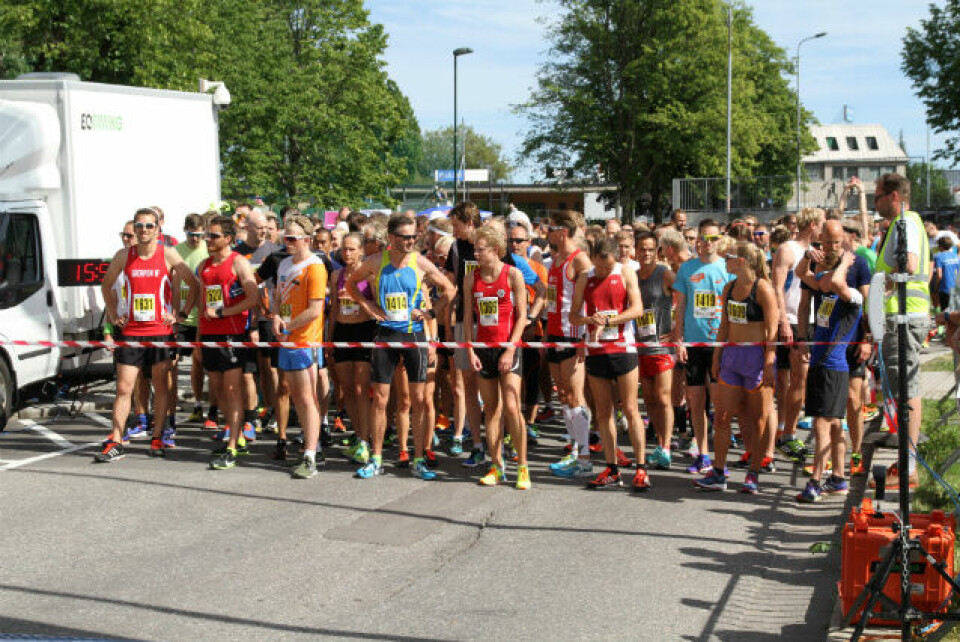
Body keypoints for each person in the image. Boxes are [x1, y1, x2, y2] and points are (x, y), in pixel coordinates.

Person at [346, 213, 455, 480]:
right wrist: (368, 305)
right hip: (385, 334)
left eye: (414, 237)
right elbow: (351, 285)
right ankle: (377, 458)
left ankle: (419, 459)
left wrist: (430, 314)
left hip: (414, 336)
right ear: (392, 238)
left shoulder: (419, 261)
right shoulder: (375, 262)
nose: (411, 241)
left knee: (418, 400)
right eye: (405, 237)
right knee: (381, 399)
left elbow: (449, 289)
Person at [96, 208, 200, 462]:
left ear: (158, 229)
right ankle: (116, 440)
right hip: (131, 332)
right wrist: (113, 315)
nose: (143, 231)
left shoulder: (168, 254)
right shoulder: (124, 255)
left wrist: (181, 315)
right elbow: (106, 284)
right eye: (139, 226)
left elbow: (193, 284)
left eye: (149, 226)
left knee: (161, 386)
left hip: (160, 332)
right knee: (124, 388)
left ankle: (157, 435)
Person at [693, 242, 777, 493]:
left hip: (756, 358)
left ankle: (753, 473)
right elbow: (724, 325)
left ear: (741, 261)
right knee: (721, 417)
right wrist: (717, 356)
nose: (724, 260)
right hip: (731, 355)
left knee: (758, 419)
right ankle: (718, 472)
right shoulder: (729, 287)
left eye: (728, 257)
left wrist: (770, 361)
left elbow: (772, 330)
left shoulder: (762, 288)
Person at [794, 224, 870, 501]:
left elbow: (838, 284)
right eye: (827, 243)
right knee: (835, 425)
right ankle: (838, 477)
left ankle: (816, 480)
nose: (831, 249)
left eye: (836, 244)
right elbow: (803, 275)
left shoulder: (854, 296)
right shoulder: (827, 283)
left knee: (821, 425)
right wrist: (808, 257)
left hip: (833, 364)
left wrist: (847, 261)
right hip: (820, 361)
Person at [569, 237, 647, 490]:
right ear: (593, 259)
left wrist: (609, 322)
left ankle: (641, 468)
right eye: (600, 267)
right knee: (603, 412)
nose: (603, 272)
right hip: (596, 350)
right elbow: (573, 315)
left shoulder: (625, 273)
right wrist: (589, 320)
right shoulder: (584, 277)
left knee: (631, 409)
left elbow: (637, 310)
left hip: (623, 348)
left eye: (607, 267)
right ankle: (612, 468)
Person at [872, 173, 929, 490]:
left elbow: (909, 265)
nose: (875, 203)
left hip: (903, 315)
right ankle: (906, 461)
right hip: (903, 314)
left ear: (893, 196)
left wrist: (882, 288)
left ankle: (909, 465)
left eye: (878, 197)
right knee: (902, 386)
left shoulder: (905, 223)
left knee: (906, 387)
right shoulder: (909, 223)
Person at [464, 226, 530, 489]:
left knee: (512, 407)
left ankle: (523, 467)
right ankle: (496, 465)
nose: (476, 254)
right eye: (475, 249)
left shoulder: (512, 274)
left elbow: (523, 315)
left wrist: (511, 348)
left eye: (480, 249)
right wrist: (469, 348)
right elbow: (468, 317)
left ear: (495, 250)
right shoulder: (472, 278)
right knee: (491, 410)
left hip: (509, 347)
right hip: (483, 347)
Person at [669, 219, 733, 475]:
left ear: (719, 241)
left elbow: (731, 308)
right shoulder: (686, 269)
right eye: (702, 239)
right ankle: (703, 454)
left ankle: (720, 459)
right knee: (696, 402)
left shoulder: (728, 269)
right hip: (694, 345)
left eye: (711, 239)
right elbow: (681, 307)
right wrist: (679, 340)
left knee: (720, 405)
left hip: (719, 344)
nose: (706, 244)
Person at [198, 217, 259, 470]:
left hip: (232, 335)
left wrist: (225, 313)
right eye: (207, 236)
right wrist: (200, 336)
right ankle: (233, 433)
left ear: (227, 238)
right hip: (210, 336)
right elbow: (203, 304)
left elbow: (253, 296)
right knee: (219, 390)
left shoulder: (238, 262)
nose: (208, 240)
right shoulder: (204, 265)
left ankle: (233, 444)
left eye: (213, 236)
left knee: (233, 390)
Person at [271, 215, 329, 478]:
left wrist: (290, 324)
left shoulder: (315, 267)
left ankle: (310, 455)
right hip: (287, 339)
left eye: (293, 238)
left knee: (307, 399)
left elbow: (315, 309)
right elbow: (277, 295)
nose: (288, 242)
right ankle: (308, 445)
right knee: (296, 397)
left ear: (307, 239)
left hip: (305, 340)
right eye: (286, 238)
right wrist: (275, 316)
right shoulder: (283, 263)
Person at [771, 207, 824, 464]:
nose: (824, 228)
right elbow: (777, 287)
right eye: (822, 223)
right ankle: (787, 435)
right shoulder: (788, 249)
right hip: (792, 320)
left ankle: (788, 430)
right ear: (812, 224)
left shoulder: (819, 250)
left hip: (815, 320)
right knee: (795, 379)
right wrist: (782, 320)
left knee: (802, 381)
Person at [545, 210, 594, 478]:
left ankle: (585, 456)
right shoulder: (556, 259)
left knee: (575, 396)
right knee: (563, 394)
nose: (547, 233)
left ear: (563, 232)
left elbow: (591, 297)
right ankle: (575, 450)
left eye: (551, 229)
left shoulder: (580, 260)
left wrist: (587, 337)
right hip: (554, 334)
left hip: (572, 335)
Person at [330, 233, 376, 466]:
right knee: (346, 388)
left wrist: (356, 298)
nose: (347, 254)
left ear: (361, 251)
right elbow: (333, 311)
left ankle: (367, 440)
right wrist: (329, 341)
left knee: (361, 388)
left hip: (364, 331)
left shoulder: (369, 274)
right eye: (344, 250)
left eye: (352, 249)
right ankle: (359, 437)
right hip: (342, 333)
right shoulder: (336, 275)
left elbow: (377, 308)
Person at [635, 231, 676, 470]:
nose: (647, 253)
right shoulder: (633, 274)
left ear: (657, 251)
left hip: (661, 345)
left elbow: (682, 298)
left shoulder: (664, 274)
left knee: (663, 397)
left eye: (651, 249)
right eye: (643, 249)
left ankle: (667, 446)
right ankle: (659, 444)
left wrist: (676, 332)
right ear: (636, 251)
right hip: (640, 344)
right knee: (649, 398)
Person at [173, 214, 209, 426]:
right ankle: (172, 402)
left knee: (199, 361)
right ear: (184, 230)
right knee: (172, 362)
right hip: (183, 316)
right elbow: (176, 285)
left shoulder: (207, 249)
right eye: (191, 235)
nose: (195, 240)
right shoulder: (177, 251)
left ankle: (201, 405)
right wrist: (178, 313)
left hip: (202, 317)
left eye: (199, 235)